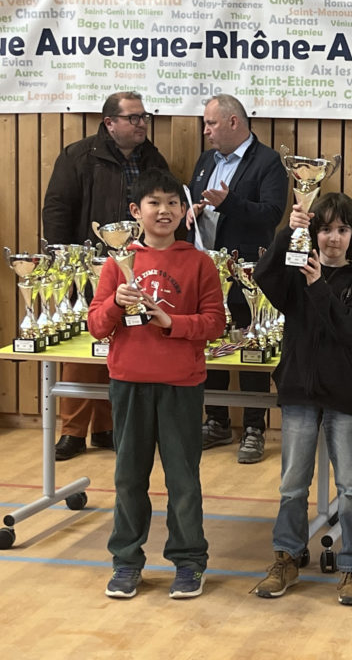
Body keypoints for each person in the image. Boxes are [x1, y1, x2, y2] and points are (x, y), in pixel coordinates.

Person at [88, 168, 226, 599]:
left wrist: (171, 322)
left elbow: (215, 323)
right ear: (136, 210)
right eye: (154, 202)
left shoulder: (199, 262)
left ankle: (189, 562)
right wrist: (116, 303)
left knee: (183, 479)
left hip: (181, 384)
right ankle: (126, 561)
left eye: (172, 203)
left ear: (184, 211)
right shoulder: (116, 262)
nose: (163, 210)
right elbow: (96, 326)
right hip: (128, 382)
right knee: (129, 478)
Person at [252, 193, 352, 605]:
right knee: (292, 484)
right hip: (299, 393)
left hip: (344, 396)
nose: (333, 238)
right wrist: (289, 232)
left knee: (351, 487)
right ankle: (286, 558)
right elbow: (263, 274)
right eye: (324, 230)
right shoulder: (296, 271)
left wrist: (319, 285)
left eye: (342, 230)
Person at [42, 91, 171, 461]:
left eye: (144, 117)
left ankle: (106, 427)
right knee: (84, 346)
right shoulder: (78, 156)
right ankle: (72, 431)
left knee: (123, 340)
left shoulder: (153, 158)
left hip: (136, 265)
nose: (142, 124)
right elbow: (57, 208)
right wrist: (62, 260)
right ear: (109, 123)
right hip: (86, 264)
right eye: (133, 118)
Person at [187, 94, 287, 464]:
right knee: (211, 343)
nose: (206, 131)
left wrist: (228, 204)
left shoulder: (268, 162)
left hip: (247, 274)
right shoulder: (205, 161)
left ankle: (254, 428)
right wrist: (191, 212)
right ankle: (216, 421)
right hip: (206, 271)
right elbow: (199, 204)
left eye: (211, 123)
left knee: (250, 348)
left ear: (233, 122)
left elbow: (272, 214)